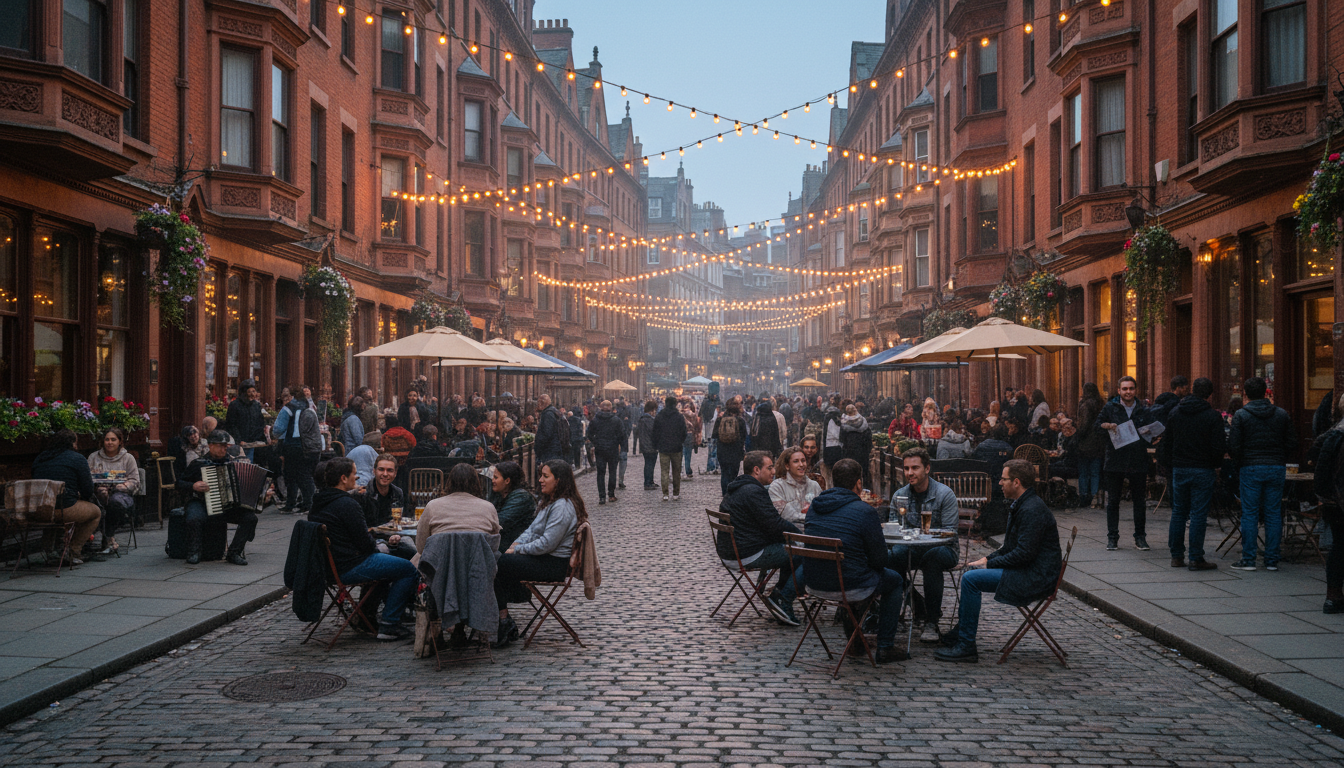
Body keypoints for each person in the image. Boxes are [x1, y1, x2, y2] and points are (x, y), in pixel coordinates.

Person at [935, 460, 1062, 663]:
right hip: (1030, 571)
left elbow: (1023, 554)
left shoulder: (1031, 509)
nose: (1000, 483)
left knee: (970, 580)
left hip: (1035, 577)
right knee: (970, 575)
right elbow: (1011, 548)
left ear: (1017, 482)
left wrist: (989, 564)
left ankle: (966, 645)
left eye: (1004, 479)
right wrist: (986, 558)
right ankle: (961, 634)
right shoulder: (1024, 504)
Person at [803, 458, 907, 663]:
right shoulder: (865, 511)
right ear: (859, 483)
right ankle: (885, 645)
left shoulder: (816, 506)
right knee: (894, 580)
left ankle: (856, 642)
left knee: (852, 573)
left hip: (813, 581)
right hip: (847, 584)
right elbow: (879, 560)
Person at [308, 457, 418, 641]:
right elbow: (366, 544)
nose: (357, 477)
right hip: (350, 566)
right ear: (343, 478)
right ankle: (389, 624)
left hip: (329, 566)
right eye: (353, 473)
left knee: (394, 558)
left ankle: (371, 614)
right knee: (408, 569)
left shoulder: (319, 503)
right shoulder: (348, 504)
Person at [493, 460, 585, 647]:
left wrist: (517, 549)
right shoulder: (549, 501)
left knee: (495, 562)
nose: (540, 480)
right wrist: (516, 544)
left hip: (553, 564)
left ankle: (503, 620)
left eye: (546, 476)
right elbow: (532, 530)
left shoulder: (562, 507)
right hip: (544, 559)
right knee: (494, 560)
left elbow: (547, 544)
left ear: (558, 480)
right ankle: (503, 618)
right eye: (541, 475)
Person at [717, 451, 802, 625]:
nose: (773, 471)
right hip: (744, 553)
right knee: (800, 552)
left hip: (733, 550)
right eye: (769, 467)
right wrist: (800, 535)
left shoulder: (739, 488)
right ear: (756, 470)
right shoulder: (753, 492)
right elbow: (775, 525)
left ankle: (778, 593)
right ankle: (781, 597)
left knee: (790, 545)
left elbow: (770, 525)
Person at [889, 447, 961, 642]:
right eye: (906, 468)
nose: (910, 473)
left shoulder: (944, 494)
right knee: (890, 558)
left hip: (943, 550)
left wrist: (920, 536)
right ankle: (913, 605)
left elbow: (950, 532)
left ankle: (932, 621)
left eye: (915, 468)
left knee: (933, 558)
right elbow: (894, 528)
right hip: (913, 549)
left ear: (927, 468)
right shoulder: (899, 496)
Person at [1228, 376, 1296, 571]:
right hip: (1275, 466)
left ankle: (1249, 559)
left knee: (1249, 513)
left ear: (1246, 394)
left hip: (1250, 467)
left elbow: (1234, 446)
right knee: (1273, 513)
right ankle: (1272, 559)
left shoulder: (1241, 415)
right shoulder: (1281, 414)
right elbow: (1292, 442)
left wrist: (1240, 460)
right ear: (1266, 392)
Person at [1158, 377, 1225, 571]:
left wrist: (1170, 464)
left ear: (1192, 390)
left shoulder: (1176, 412)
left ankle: (1176, 556)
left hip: (1180, 468)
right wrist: (1215, 464)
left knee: (1179, 511)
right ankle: (1196, 557)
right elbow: (1218, 446)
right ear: (1209, 394)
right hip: (1203, 469)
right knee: (1198, 514)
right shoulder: (1212, 416)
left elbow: (1167, 442)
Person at [176, 430, 258, 565]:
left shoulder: (233, 464)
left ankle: (234, 552)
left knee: (250, 518)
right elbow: (179, 483)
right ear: (210, 445)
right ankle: (194, 552)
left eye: (226, 446)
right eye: (220, 445)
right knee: (193, 517)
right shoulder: (199, 463)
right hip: (202, 502)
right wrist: (193, 486)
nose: (224, 449)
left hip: (227, 506)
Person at [1096, 376, 1156, 551]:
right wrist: (1105, 426)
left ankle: (1140, 538)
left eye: (1131, 388)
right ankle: (1112, 538)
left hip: (1137, 459)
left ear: (1135, 390)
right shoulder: (1110, 407)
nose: (1128, 392)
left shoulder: (1143, 409)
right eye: (1125, 389)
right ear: (1119, 391)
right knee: (1113, 501)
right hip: (1115, 459)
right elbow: (1097, 427)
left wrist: (1151, 434)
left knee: (1139, 501)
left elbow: (1151, 432)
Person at [30, 429, 103, 564]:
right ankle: (73, 551)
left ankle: (49, 549)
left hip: (39, 511)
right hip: (65, 509)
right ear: (72, 443)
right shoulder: (77, 458)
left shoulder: (40, 458)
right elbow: (87, 491)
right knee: (96, 513)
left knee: (52, 510)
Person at [414, 463, 500, 566]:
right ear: (477, 483)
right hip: (478, 570)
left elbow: (421, 547)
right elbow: (494, 546)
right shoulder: (489, 508)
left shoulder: (432, 506)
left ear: (449, 482)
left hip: (439, 570)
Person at [1306, 393, 1344, 613]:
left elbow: (1318, 469)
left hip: (1335, 502)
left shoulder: (1333, 435)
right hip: (1337, 501)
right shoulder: (1334, 436)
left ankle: (1333, 595)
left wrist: (1325, 498)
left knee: (1338, 547)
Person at [88, 426, 140, 555]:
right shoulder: (94, 457)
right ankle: (106, 539)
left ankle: (108, 536)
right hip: (97, 495)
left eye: (113, 439)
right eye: (107, 439)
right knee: (95, 505)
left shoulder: (128, 458)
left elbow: (135, 481)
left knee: (115, 503)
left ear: (119, 441)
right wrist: (98, 487)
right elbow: (87, 479)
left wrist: (122, 486)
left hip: (121, 495)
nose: (110, 442)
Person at [354, 453, 414, 559]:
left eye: (389, 470)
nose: (385, 474)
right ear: (374, 471)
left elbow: (400, 520)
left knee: (413, 547)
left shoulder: (398, 492)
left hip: (393, 535)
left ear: (395, 473)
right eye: (381, 469)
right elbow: (361, 529)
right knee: (383, 550)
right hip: (372, 539)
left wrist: (396, 535)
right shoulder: (363, 494)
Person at [274, 392, 322, 514]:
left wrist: (273, 435)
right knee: (303, 475)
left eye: (286, 397)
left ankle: (296, 503)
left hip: (292, 445)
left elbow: (278, 429)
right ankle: (306, 503)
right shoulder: (308, 408)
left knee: (293, 475)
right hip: (306, 446)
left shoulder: (288, 409)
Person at [489, 461, 537, 552]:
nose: (492, 480)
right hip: (503, 544)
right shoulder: (499, 495)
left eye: (496, 477)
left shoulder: (521, 497)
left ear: (507, 481)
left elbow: (500, 522)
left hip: (514, 547)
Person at [1075, 383, 1108, 509]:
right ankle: (1095, 497)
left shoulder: (1085, 404)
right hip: (1099, 443)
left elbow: (1083, 424)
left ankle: (1084, 497)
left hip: (1086, 443)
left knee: (1084, 472)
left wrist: (1078, 435)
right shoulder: (1101, 404)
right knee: (1095, 472)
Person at [769, 446, 822, 525]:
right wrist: (812, 518)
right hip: (788, 533)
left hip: (813, 530)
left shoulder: (814, 485)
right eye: (796, 461)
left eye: (803, 461)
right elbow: (787, 516)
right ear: (787, 466)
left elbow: (821, 511)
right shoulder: (777, 486)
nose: (801, 464)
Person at [587, 399, 626, 505]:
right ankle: (611, 494)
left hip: (600, 449)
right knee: (612, 472)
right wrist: (621, 445)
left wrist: (596, 442)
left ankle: (602, 496)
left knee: (601, 473)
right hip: (613, 448)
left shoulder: (595, 420)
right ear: (611, 408)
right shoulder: (616, 420)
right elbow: (622, 435)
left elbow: (589, 433)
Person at [653, 395, 688, 501]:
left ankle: (665, 494)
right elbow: (684, 432)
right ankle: (676, 493)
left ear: (665, 403)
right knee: (676, 471)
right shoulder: (679, 416)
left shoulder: (659, 416)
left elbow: (655, 432)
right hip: (676, 447)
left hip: (663, 448)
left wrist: (656, 445)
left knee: (664, 471)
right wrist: (680, 441)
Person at [714, 396, 749, 495]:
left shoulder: (720, 419)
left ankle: (725, 493)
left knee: (724, 473)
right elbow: (744, 436)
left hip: (722, 450)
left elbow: (715, 435)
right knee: (733, 473)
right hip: (736, 450)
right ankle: (731, 494)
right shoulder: (740, 420)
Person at [225, 380, 265, 461]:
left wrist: (259, 437)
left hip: (253, 443)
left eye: (254, 391)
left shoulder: (256, 405)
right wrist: (239, 440)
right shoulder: (234, 405)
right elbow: (231, 424)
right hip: (239, 443)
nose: (252, 394)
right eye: (249, 391)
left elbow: (260, 422)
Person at [839, 404, 873, 488]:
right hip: (862, 453)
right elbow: (869, 437)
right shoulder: (863, 421)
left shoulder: (844, 423)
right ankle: (863, 492)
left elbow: (841, 439)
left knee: (851, 474)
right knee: (863, 474)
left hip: (849, 452)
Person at [972, 425, 1014, 489]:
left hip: (982, 479)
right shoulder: (1007, 447)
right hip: (999, 480)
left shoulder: (981, 445)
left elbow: (974, 458)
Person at [534, 394, 565, 464]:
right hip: (554, 447)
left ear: (543, 403)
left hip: (550, 449)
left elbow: (547, 433)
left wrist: (539, 446)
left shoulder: (548, 414)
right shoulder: (553, 411)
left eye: (538, 402)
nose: (538, 405)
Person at [636, 400, 659, 491]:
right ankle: (648, 483)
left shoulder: (642, 419)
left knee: (649, 464)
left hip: (644, 445)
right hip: (650, 445)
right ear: (652, 410)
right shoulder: (649, 420)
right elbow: (654, 432)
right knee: (650, 465)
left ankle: (650, 481)